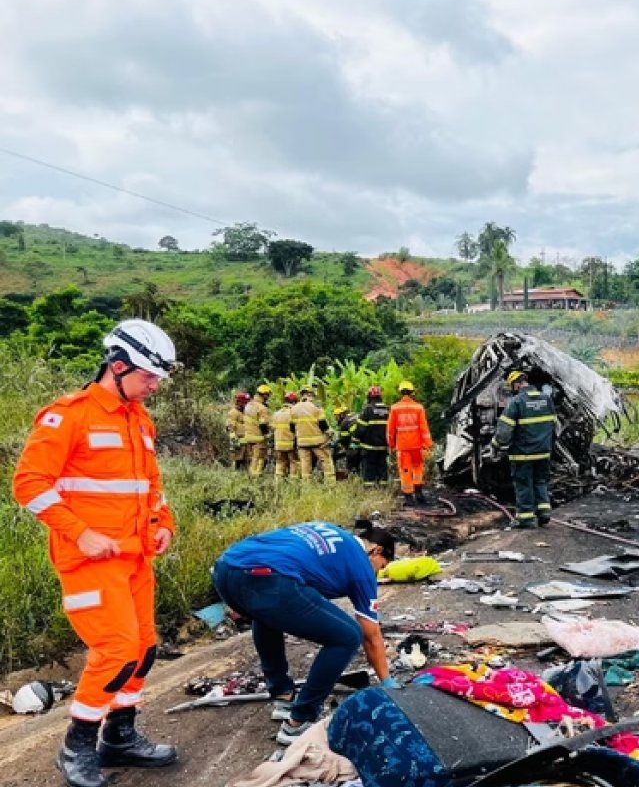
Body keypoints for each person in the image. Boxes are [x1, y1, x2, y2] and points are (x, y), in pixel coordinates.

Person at [12, 319, 179, 787]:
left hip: (135, 557)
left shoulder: (139, 419)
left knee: (143, 648)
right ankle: (77, 746)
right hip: (89, 561)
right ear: (118, 366)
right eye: (148, 376)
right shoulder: (69, 414)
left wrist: (163, 523)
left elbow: (149, 485)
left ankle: (120, 737)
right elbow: (29, 484)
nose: (154, 386)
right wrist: (80, 532)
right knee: (118, 649)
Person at [212, 521, 398, 745]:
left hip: (226, 569)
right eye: (382, 565)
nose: (378, 572)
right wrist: (387, 681)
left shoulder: (330, 530)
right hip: (268, 578)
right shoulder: (361, 565)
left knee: (266, 613)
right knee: (348, 636)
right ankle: (300, 721)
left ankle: (282, 696)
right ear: (376, 550)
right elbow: (371, 636)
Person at [492, 371, 556, 528]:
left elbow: (504, 431)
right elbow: (554, 426)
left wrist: (496, 445)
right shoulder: (546, 399)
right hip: (543, 452)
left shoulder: (516, 402)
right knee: (540, 481)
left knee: (524, 484)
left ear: (516, 384)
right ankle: (544, 512)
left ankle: (526, 518)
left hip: (523, 454)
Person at [387, 380, 433, 504]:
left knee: (405, 470)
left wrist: (391, 444)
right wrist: (428, 444)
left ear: (401, 392)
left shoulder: (395, 408)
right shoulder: (418, 407)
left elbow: (390, 430)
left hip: (402, 446)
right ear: (412, 392)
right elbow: (424, 428)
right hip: (417, 445)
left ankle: (408, 497)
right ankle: (419, 493)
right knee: (418, 468)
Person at [291, 387, 335, 480]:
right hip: (317, 441)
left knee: (305, 464)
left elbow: (292, 427)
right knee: (326, 460)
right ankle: (330, 483)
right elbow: (322, 423)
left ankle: (306, 485)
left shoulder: (294, 408)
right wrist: (329, 432)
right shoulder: (316, 407)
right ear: (311, 395)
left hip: (302, 441)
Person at [353, 386, 390, 486]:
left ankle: (370, 488)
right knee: (382, 465)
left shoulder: (367, 409)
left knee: (369, 467)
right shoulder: (387, 409)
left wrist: (355, 440)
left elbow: (360, 428)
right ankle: (383, 486)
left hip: (369, 446)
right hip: (383, 446)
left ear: (369, 396)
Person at [243, 385, 273, 476]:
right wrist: (267, 434)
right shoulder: (261, 408)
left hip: (248, 436)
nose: (268, 397)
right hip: (258, 437)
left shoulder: (249, 404)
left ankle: (250, 474)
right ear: (265, 395)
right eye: (268, 395)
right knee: (259, 458)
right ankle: (255, 476)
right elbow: (263, 424)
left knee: (251, 458)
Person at [272, 392, 299, 480]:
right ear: (294, 402)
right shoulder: (294, 413)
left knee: (280, 463)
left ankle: (278, 482)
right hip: (290, 444)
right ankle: (294, 483)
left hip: (279, 444)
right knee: (294, 462)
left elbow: (272, 428)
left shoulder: (276, 413)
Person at [333, 405, 360, 478]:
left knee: (350, 456)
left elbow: (344, 440)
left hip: (356, 445)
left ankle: (352, 474)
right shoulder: (356, 415)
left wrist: (337, 445)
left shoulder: (344, 422)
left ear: (342, 414)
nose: (336, 419)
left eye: (337, 416)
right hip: (368, 443)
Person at [225, 391, 250, 470]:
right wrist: (234, 442)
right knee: (237, 461)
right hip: (238, 442)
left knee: (247, 462)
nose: (246, 404)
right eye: (245, 403)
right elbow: (230, 427)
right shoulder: (233, 413)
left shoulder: (246, 413)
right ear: (239, 402)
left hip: (247, 442)